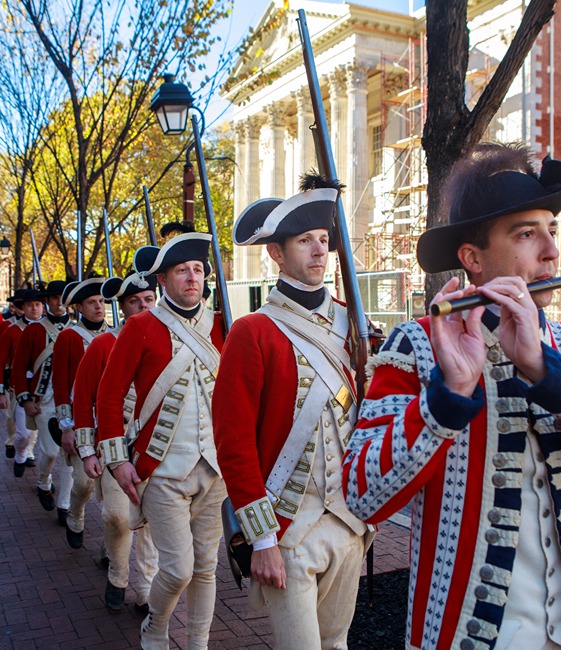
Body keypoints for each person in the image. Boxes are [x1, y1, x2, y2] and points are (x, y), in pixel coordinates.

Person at [342, 143, 561, 650]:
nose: (551, 252)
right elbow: (362, 495)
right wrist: (446, 398)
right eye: (526, 234)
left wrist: (552, 374)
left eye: (551, 231)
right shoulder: (415, 346)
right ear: (473, 258)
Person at [213, 177, 370, 649]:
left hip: (349, 520)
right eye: (305, 241)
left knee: (337, 644)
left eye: (323, 239)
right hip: (285, 527)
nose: (319, 250)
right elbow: (234, 441)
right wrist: (261, 539)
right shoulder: (253, 331)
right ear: (276, 253)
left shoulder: (353, 323)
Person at [96, 232, 225, 649]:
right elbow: (109, 396)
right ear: (163, 280)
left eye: (198, 270)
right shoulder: (140, 327)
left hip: (216, 468)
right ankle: (155, 628)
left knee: (206, 567)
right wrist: (118, 461)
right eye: (182, 270)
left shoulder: (223, 325)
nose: (192, 277)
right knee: (179, 569)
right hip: (162, 468)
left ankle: (199, 643)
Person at [72, 272, 159, 614]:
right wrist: (86, 450)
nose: (143, 307)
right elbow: (83, 399)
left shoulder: (170, 340)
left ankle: (147, 588)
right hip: (116, 444)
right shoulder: (103, 344)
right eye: (134, 301)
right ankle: (118, 575)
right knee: (117, 517)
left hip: (157, 444)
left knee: (154, 520)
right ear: (121, 307)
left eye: (148, 299)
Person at [52, 276, 107, 548]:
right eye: (92, 302)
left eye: (102, 301)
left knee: (114, 494)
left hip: (110, 422)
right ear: (79, 307)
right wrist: (66, 426)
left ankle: (111, 553)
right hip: (80, 420)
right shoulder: (68, 337)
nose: (99, 307)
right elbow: (61, 384)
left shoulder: (116, 334)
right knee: (84, 484)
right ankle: (75, 514)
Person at [12, 279, 72, 523]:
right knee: (49, 453)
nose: (59, 303)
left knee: (69, 454)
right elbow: (18, 368)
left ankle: (65, 506)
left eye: (62, 297)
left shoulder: (77, 330)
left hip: (71, 402)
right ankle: (43, 481)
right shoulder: (34, 331)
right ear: (47, 301)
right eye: (54, 298)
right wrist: (25, 399)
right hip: (45, 400)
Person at [0, 289, 41, 473]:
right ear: (23, 308)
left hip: (42, 387)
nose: (34, 309)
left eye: (37, 305)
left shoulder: (48, 329)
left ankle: (29, 453)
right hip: (18, 386)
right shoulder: (12, 330)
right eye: (30, 305)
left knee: (36, 428)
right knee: (20, 429)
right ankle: (19, 450)